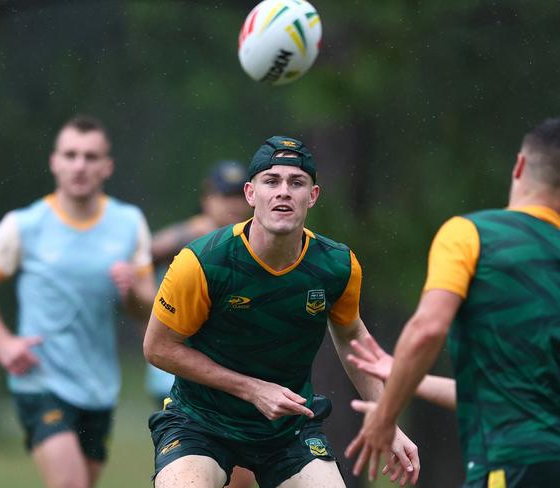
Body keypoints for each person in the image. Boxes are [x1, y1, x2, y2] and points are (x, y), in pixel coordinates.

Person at [143, 135, 420, 488]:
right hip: (200, 422)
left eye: (296, 182)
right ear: (250, 194)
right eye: (271, 181)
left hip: (288, 431)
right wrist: (253, 389)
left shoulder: (337, 265)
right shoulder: (202, 262)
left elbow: (352, 336)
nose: (283, 191)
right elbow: (157, 348)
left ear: (313, 196)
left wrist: (387, 419)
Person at [346, 117, 560, 488]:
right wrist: (404, 374)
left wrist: (385, 417)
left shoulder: (471, 235)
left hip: (515, 464)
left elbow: (428, 329)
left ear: (520, 166)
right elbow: (505, 391)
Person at [0, 115, 157, 488]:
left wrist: (131, 288)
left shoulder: (128, 222)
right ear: (55, 162)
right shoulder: (26, 224)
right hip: (41, 379)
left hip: (99, 385)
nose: (79, 165)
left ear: (107, 166)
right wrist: (1, 341)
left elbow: (147, 308)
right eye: (70, 155)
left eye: (90, 156)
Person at [145, 160, 255, 488]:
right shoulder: (194, 236)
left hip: (231, 374)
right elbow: (140, 258)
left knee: (237, 478)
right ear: (208, 198)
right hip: (179, 375)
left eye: (238, 195)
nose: (233, 205)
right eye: (225, 195)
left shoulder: (256, 243)